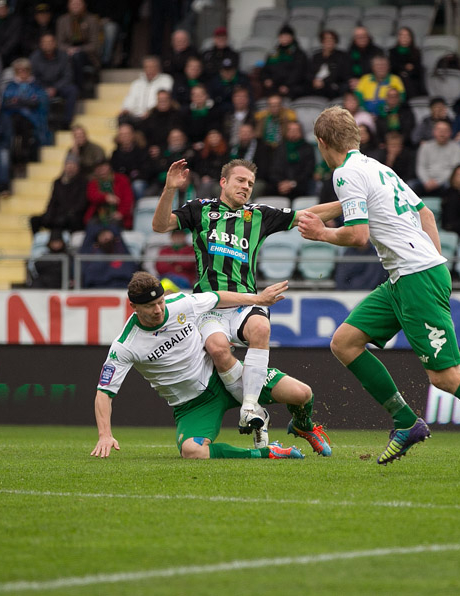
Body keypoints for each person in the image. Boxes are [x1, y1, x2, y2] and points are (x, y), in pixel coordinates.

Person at [297, 106, 460, 474]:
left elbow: (359, 235)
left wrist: (321, 234)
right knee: (345, 342)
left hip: (416, 276)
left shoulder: (344, 174)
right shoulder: (377, 168)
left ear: (321, 142)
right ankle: (406, 421)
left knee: (445, 376)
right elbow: (426, 214)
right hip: (407, 276)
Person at [151, 159, 338, 456]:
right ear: (223, 182)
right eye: (240, 180)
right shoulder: (201, 209)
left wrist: (354, 205)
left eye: (250, 183)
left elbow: (308, 215)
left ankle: (250, 407)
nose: (246, 187)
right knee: (217, 348)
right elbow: (160, 226)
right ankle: (257, 414)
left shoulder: (258, 215)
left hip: (245, 302)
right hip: (211, 305)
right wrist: (170, 190)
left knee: (261, 328)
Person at [91, 272, 318, 460]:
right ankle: (267, 452)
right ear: (134, 307)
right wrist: (104, 435)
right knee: (192, 451)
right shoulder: (125, 345)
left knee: (302, 394)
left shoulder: (181, 304)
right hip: (193, 405)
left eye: (160, 302)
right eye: (150, 306)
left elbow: (217, 297)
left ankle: (303, 425)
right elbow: (104, 392)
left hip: (224, 373)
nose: (158, 310)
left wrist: (258, 299)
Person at [31, 33, 78, 130]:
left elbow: (68, 75)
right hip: (41, 87)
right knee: (32, 92)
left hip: (59, 86)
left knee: (72, 90)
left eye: (50, 42)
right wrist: (45, 89)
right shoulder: (34, 57)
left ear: (55, 43)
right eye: (45, 42)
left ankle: (66, 122)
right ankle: (41, 124)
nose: (47, 45)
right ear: (40, 44)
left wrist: (55, 88)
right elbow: (33, 77)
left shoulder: (63, 56)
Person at [30, 155, 86, 233]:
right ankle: (38, 240)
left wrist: (68, 213)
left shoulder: (82, 182)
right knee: (35, 220)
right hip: (57, 214)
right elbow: (53, 201)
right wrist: (48, 215)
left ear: (78, 168)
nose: (70, 168)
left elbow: (81, 204)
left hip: (72, 216)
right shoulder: (58, 182)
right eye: (68, 165)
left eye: (73, 166)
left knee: (62, 221)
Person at [2, 58, 49, 147]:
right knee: (13, 122)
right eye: (19, 70)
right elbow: (7, 103)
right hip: (13, 116)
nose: (22, 73)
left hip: (32, 116)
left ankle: (26, 151)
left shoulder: (36, 86)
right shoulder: (11, 86)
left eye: (24, 70)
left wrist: (18, 101)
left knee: (26, 124)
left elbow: (36, 102)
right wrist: (25, 102)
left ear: (29, 71)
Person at [414, 120, 460, 198]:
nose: (442, 133)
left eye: (445, 131)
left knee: (453, 187)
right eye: (439, 130)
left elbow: (455, 170)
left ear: (450, 132)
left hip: (446, 181)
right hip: (426, 181)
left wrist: (438, 182)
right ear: (434, 132)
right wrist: (426, 181)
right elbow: (421, 167)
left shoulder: (456, 148)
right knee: (410, 185)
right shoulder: (425, 147)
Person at [267, 121, 316, 199]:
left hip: (301, 186)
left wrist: (292, 183)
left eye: (296, 130)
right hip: (280, 187)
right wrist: (280, 183)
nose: (293, 133)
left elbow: (308, 170)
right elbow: (274, 169)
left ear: (301, 132)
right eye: (291, 130)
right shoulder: (280, 148)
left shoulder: (308, 148)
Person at [120, 55, 173, 122]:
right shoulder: (137, 83)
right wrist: (126, 109)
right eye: (147, 67)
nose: (149, 70)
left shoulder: (166, 80)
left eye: (152, 67)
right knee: (122, 119)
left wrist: (150, 112)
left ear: (158, 68)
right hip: (137, 117)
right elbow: (130, 100)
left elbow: (164, 100)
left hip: (155, 115)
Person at [260, 25, 308, 99]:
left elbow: (298, 72)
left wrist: (287, 85)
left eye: (286, 36)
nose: (284, 38)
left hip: (292, 87)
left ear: (292, 37)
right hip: (274, 86)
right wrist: (266, 79)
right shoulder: (274, 52)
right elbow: (265, 68)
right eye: (282, 36)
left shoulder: (298, 53)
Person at [84, 159, 132, 229]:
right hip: (98, 215)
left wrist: (121, 213)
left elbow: (128, 199)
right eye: (98, 168)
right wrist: (106, 197)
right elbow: (92, 196)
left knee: (113, 226)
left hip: (117, 215)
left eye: (103, 167)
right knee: (91, 225)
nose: (101, 170)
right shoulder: (93, 183)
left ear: (109, 167)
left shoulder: (121, 179)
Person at [308, 29, 349, 100]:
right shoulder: (316, 56)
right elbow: (309, 72)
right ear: (322, 41)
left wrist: (323, 82)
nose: (329, 41)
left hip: (331, 84)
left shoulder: (341, 56)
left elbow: (338, 73)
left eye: (331, 39)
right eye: (326, 39)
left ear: (335, 42)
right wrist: (314, 80)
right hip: (315, 83)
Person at [388, 26, 425, 99]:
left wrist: (410, 69)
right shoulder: (392, 52)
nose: (404, 37)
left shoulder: (416, 52)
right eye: (402, 35)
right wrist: (404, 67)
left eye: (407, 35)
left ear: (411, 38)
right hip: (397, 78)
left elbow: (418, 68)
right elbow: (392, 67)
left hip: (412, 79)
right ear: (398, 37)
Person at [0, 0, 22, 67]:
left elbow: (14, 40)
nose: (2, 10)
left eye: (4, 8)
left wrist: (0, 53)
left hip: (12, 56)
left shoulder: (15, 20)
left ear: (7, 9)